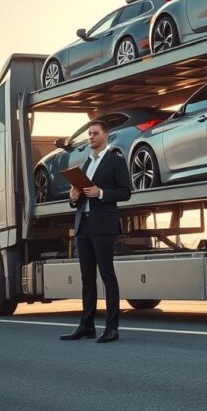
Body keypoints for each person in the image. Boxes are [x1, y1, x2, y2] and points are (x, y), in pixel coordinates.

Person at [59, 119, 131, 343]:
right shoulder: (85, 164)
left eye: (95, 133)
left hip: (103, 226)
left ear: (106, 136)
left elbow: (125, 192)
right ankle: (86, 326)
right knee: (87, 278)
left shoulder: (115, 160)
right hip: (83, 224)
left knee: (107, 275)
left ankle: (112, 328)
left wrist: (100, 193)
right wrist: (73, 197)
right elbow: (79, 194)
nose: (90, 137)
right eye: (89, 134)